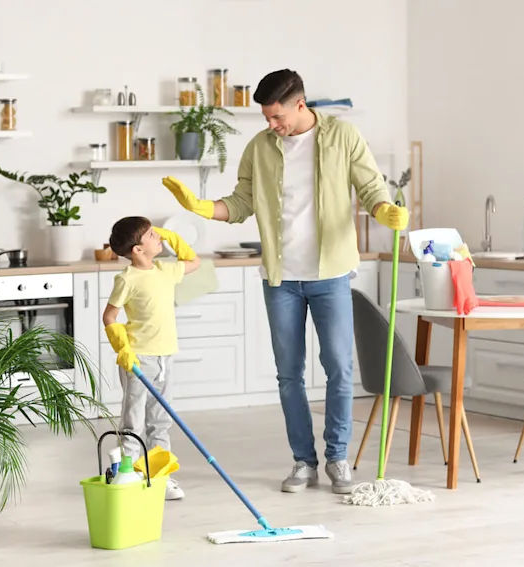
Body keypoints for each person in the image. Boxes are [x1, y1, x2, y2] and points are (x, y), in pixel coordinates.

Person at [160, 69, 409, 495]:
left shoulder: (343, 136)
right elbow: (241, 203)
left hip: (329, 274)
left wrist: (384, 209)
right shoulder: (260, 147)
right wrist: (203, 207)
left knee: (340, 368)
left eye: (277, 116)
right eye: (266, 117)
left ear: (300, 103)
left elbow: (370, 187)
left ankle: (337, 459)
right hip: (281, 278)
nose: (271, 124)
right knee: (288, 375)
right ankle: (302, 462)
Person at [102, 216, 201, 501]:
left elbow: (194, 262)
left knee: (160, 422)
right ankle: (128, 476)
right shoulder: (127, 279)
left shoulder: (164, 270)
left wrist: (172, 236)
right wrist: (122, 347)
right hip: (139, 359)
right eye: (151, 235)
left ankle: (160, 477)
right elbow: (110, 316)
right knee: (133, 423)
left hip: (165, 358)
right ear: (137, 249)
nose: (159, 236)